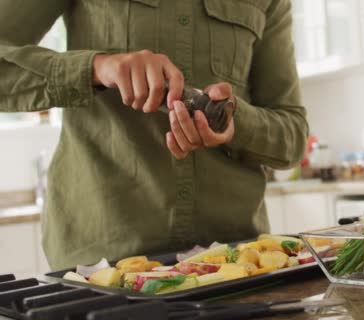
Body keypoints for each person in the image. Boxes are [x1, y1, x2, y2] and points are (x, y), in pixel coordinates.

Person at [0, 0, 308, 270]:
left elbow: (292, 135)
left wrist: (235, 122)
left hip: (235, 262)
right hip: (103, 264)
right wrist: (97, 67)